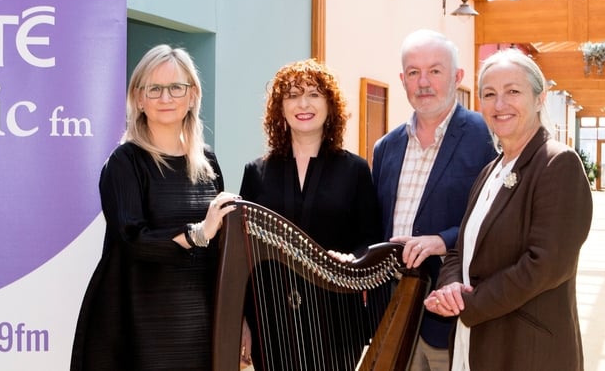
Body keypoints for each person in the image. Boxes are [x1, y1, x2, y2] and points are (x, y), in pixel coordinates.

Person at [70, 44, 240, 371]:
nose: (166, 98)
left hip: (201, 323)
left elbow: (223, 249)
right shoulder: (124, 162)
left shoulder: (208, 162)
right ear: (139, 98)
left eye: (177, 87)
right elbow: (133, 239)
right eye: (155, 88)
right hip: (139, 325)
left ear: (193, 96)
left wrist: (238, 318)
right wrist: (197, 234)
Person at [424, 49, 592, 370]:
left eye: (513, 91)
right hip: (473, 344)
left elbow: (544, 265)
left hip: (526, 350)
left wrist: (468, 304)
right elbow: (462, 249)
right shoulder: (490, 171)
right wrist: (448, 289)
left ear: (540, 98)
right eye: (489, 94)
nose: (500, 104)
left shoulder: (558, 164)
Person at [239, 58, 383, 370]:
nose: (303, 104)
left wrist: (352, 260)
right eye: (292, 95)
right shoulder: (256, 172)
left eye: (314, 94)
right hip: (270, 319)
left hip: (337, 318)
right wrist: (243, 322)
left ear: (331, 106)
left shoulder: (355, 170)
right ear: (280, 108)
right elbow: (244, 255)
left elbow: (370, 241)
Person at [371, 29, 497, 371]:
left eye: (435, 71)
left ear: (457, 77)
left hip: (454, 311)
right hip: (397, 313)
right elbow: (376, 226)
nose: (423, 82)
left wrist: (443, 241)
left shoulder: (487, 138)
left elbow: (497, 219)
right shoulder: (385, 148)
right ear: (402, 79)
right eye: (413, 72)